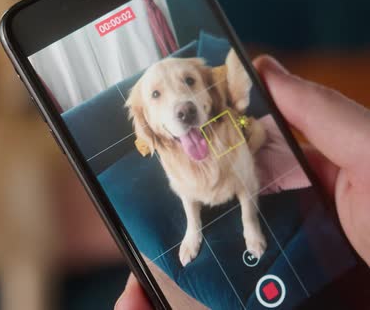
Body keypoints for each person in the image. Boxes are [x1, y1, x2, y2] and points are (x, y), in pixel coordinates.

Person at [115, 55, 370, 310]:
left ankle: (250, 223)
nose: (182, 105)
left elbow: (247, 183)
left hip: (236, 144)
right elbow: (185, 193)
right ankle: (194, 229)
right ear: (145, 119)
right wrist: (193, 231)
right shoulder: (162, 147)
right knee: (188, 191)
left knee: (248, 167)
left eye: (190, 81)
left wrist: (250, 225)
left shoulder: (223, 116)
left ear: (210, 93)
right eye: (156, 94)